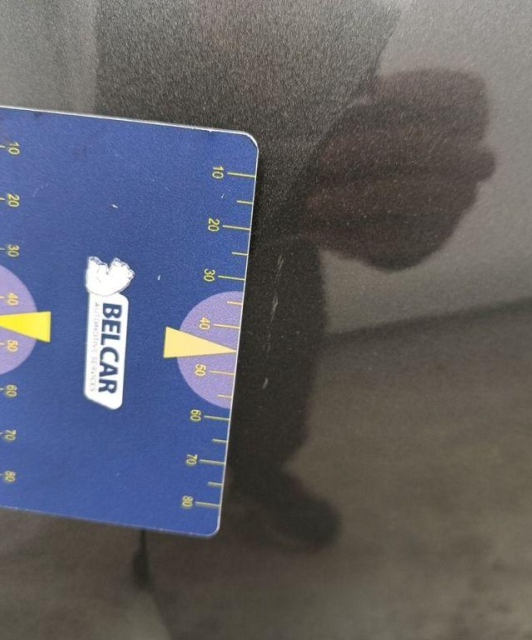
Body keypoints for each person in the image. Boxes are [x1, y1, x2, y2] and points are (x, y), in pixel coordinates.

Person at [95, 0, 494, 551]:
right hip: (167, 218)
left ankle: (257, 473)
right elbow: (122, 151)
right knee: (161, 352)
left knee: (283, 347)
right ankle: (162, 479)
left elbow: (346, 127)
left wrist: (388, 194)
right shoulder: (136, 19)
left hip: (282, 234)